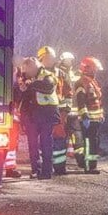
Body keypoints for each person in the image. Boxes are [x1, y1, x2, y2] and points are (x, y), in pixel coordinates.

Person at [17, 56, 59, 180]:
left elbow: (48, 87)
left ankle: (46, 171)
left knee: (46, 143)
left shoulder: (47, 75)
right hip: (32, 116)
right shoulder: (28, 79)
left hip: (46, 115)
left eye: (27, 70)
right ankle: (36, 170)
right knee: (33, 145)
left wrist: (31, 85)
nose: (26, 73)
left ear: (33, 67)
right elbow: (23, 99)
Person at [37, 45, 68, 175]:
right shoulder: (37, 73)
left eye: (51, 58)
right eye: (46, 58)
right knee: (44, 139)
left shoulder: (60, 73)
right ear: (41, 59)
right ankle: (43, 167)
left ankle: (60, 167)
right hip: (42, 111)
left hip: (59, 111)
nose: (49, 60)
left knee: (59, 138)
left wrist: (66, 109)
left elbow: (68, 91)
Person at [74, 57, 104, 173]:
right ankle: (89, 166)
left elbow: (97, 101)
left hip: (95, 119)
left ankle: (92, 165)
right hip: (88, 119)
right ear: (87, 69)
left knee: (94, 143)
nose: (95, 71)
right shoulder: (82, 83)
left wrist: (101, 115)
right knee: (89, 142)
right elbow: (81, 101)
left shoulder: (92, 82)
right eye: (94, 69)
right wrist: (84, 116)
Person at [58, 51, 82, 166]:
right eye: (68, 60)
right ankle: (59, 164)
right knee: (61, 136)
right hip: (62, 110)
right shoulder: (59, 73)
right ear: (62, 61)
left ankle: (81, 161)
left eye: (71, 60)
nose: (70, 62)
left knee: (77, 137)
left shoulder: (72, 73)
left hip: (73, 110)